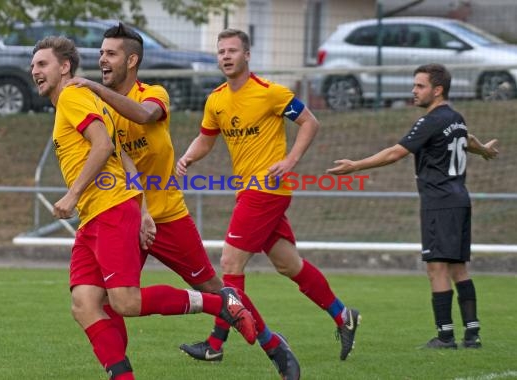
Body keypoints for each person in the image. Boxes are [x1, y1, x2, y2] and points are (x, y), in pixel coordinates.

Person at [66, 23, 300, 380]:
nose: (102, 60)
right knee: (101, 300)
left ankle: (272, 344)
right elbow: (115, 157)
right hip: (124, 215)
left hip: (168, 217)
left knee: (213, 289)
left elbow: (144, 115)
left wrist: (94, 87)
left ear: (132, 60)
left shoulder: (154, 93)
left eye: (110, 54)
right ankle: (119, 371)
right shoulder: (97, 107)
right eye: (100, 54)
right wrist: (139, 210)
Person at [30, 35, 257, 380]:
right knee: (85, 304)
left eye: (42, 64)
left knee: (125, 302)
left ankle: (220, 303)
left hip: (110, 210)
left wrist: (73, 194)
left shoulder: (74, 96)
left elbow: (103, 146)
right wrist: (144, 210)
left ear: (65, 67)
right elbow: (123, 155)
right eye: (32, 65)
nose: (35, 71)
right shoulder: (77, 101)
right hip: (97, 215)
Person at [176, 28, 361, 362]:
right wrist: (188, 156)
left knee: (230, 263)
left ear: (247, 55)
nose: (226, 56)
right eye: (221, 52)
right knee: (288, 264)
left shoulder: (270, 93)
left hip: (266, 190)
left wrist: (290, 161)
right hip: (249, 190)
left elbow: (310, 122)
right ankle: (343, 315)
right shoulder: (216, 99)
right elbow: (206, 139)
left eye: (233, 50)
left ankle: (215, 345)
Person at [327, 63, 498, 349]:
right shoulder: (455, 118)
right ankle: (472, 334)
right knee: (458, 268)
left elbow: (395, 153)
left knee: (436, 269)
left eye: (420, 86)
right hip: (459, 199)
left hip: (440, 202)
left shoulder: (430, 121)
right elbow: (466, 140)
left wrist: (356, 165)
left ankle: (445, 337)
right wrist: (483, 150)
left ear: (437, 89)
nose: (413, 91)